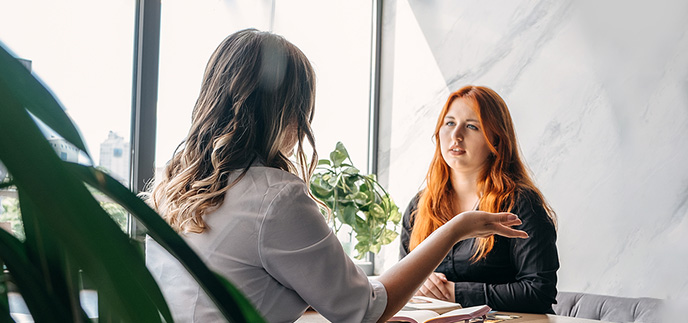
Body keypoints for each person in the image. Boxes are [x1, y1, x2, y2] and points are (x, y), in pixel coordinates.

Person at [144, 29, 528, 323]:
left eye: (471, 126)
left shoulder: (171, 187)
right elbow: (365, 311)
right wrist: (457, 228)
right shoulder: (275, 197)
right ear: (286, 111)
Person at [399, 85, 560, 314]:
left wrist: (454, 292)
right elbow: (399, 287)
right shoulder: (418, 207)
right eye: (450, 123)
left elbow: (538, 293)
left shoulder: (521, 203)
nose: (456, 136)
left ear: (496, 140)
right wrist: (418, 285)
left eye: (472, 126)